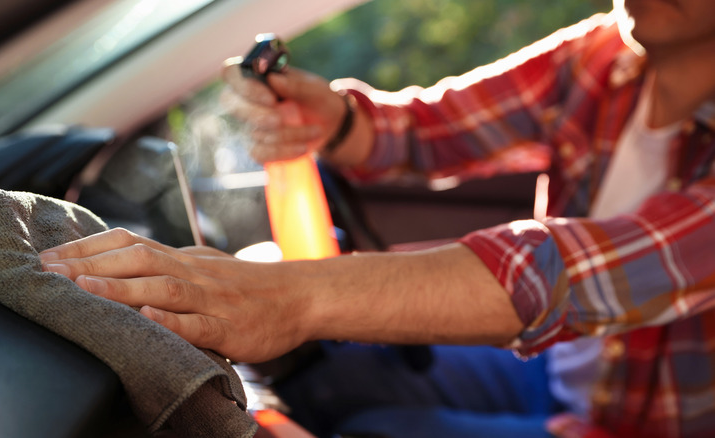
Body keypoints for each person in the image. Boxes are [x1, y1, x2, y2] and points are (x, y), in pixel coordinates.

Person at [39, 0, 715, 436]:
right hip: (557, 368)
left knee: (376, 432)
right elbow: (426, 130)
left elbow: (560, 272)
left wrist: (284, 297)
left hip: (639, 425)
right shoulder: (601, 56)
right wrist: (332, 119)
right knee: (328, 376)